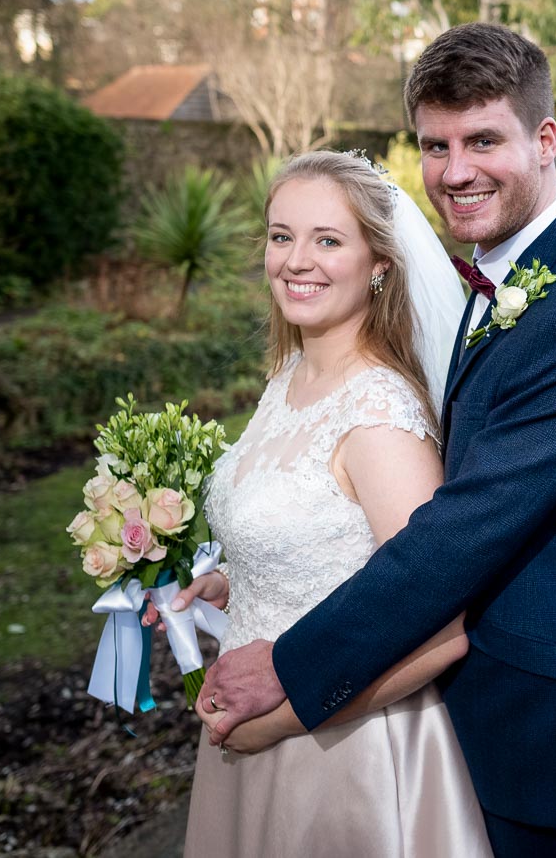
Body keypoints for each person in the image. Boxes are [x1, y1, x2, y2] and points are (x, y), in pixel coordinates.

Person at [200, 23, 556, 857]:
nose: (455, 172)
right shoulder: (496, 277)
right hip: (467, 720)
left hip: (544, 736)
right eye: (435, 145)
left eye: (484, 139)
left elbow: (461, 530)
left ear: (545, 139)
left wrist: (291, 671)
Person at [144, 149, 488, 856]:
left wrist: (285, 719)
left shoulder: (380, 418)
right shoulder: (291, 375)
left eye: (328, 239)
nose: (296, 260)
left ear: (381, 263)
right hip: (250, 727)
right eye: (281, 235)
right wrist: (236, 581)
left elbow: (442, 629)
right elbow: (330, 543)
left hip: (343, 751)